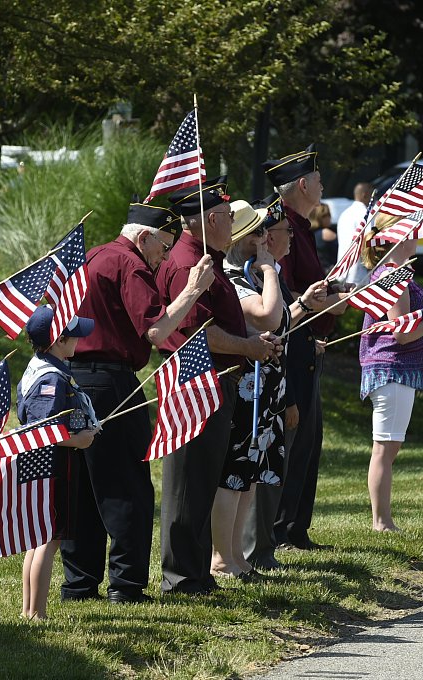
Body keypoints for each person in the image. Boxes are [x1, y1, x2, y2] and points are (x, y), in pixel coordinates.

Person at [61, 201, 214, 605]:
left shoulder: (91, 256)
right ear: (144, 237)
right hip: (111, 383)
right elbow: (156, 328)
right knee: (127, 485)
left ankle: (79, 583)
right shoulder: (129, 264)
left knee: (83, 487)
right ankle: (126, 586)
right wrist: (194, 289)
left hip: (73, 378)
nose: (164, 257)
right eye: (163, 247)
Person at [155, 177, 279, 596]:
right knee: (187, 483)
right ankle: (182, 578)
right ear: (209, 219)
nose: (233, 223)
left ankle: (196, 573)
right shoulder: (189, 265)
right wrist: (248, 345)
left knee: (204, 481)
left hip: (219, 384)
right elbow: (198, 335)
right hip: (195, 386)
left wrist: (251, 344)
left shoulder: (209, 259)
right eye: (227, 216)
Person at [213, 202, 326, 579]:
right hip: (248, 385)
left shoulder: (257, 276)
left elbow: (280, 323)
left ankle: (239, 556)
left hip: (269, 385)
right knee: (235, 474)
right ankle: (223, 557)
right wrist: (268, 268)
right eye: (260, 233)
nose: (267, 239)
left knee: (252, 476)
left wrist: (301, 305)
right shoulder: (236, 276)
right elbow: (268, 316)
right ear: (246, 241)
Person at [266, 144, 350, 551]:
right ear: (302, 184)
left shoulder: (300, 225)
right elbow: (282, 291)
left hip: (307, 341)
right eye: (318, 180)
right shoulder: (281, 225)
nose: (322, 186)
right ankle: (279, 527)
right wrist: (321, 301)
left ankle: (297, 526)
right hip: (288, 342)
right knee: (292, 435)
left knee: (309, 439)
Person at [358, 227, 423, 531]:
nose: (418, 236)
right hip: (393, 367)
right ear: (394, 239)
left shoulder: (395, 273)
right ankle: (381, 522)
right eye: (411, 231)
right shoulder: (395, 277)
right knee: (385, 448)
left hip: (392, 369)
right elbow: (401, 332)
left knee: (387, 447)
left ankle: (383, 519)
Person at [18, 306, 99, 619]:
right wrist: (78, 440)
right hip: (52, 463)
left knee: (39, 538)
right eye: (74, 335)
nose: (79, 340)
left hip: (48, 462)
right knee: (48, 539)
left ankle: (29, 609)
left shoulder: (46, 367)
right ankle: (35, 612)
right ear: (58, 340)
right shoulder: (50, 378)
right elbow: (43, 429)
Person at [335, 181, 374, 286]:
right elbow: (369, 242)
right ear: (365, 195)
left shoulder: (345, 214)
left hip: (343, 269)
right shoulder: (365, 215)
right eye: (372, 195)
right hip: (359, 272)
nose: (373, 199)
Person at [309, 202, 337, 271]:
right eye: (325, 215)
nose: (329, 217)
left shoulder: (309, 233)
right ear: (318, 217)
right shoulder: (326, 232)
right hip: (330, 272)